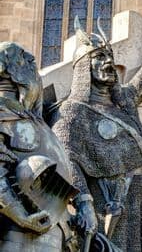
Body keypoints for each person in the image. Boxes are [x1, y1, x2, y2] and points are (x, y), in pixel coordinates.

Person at [52, 0, 142, 252]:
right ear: (84, 67)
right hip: (109, 208)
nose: (107, 62)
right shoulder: (73, 113)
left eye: (109, 56)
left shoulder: (125, 102)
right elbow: (67, 159)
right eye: (99, 58)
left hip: (141, 202)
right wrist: (83, 201)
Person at [0, 42, 81, 252]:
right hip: (16, 233)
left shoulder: (34, 120)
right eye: (28, 64)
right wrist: (21, 215)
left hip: (51, 233)